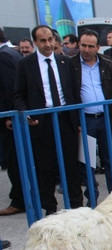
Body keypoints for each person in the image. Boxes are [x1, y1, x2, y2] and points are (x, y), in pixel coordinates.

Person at [13, 25, 83, 215]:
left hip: (65, 121)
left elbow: (74, 93)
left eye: (50, 39)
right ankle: (50, 210)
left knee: (71, 166)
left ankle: (76, 207)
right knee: (45, 169)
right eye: (42, 41)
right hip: (41, 124)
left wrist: (76, 120)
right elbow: (18, 95)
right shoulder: (25, 64)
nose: (48, 44)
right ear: (35, 42)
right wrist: (25, 113)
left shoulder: (65, 62)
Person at [71, 29, 112, 202]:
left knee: (110, 158)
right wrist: (74, 121)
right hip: (85, 120)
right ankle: (92, 198)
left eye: (90, 46)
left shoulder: (106, 63)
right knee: (86, 161)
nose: (86, 49)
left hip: (105, 118)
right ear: (79, 44)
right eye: (83, 45)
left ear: (98, 47)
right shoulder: (71, 65)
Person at [0, 27, 25, 216]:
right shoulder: (11, 53)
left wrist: (9, 115)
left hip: (10, 119)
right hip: (12, 117)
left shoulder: (5, 56)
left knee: (14, 159)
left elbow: (10, 88)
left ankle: (19, 200)